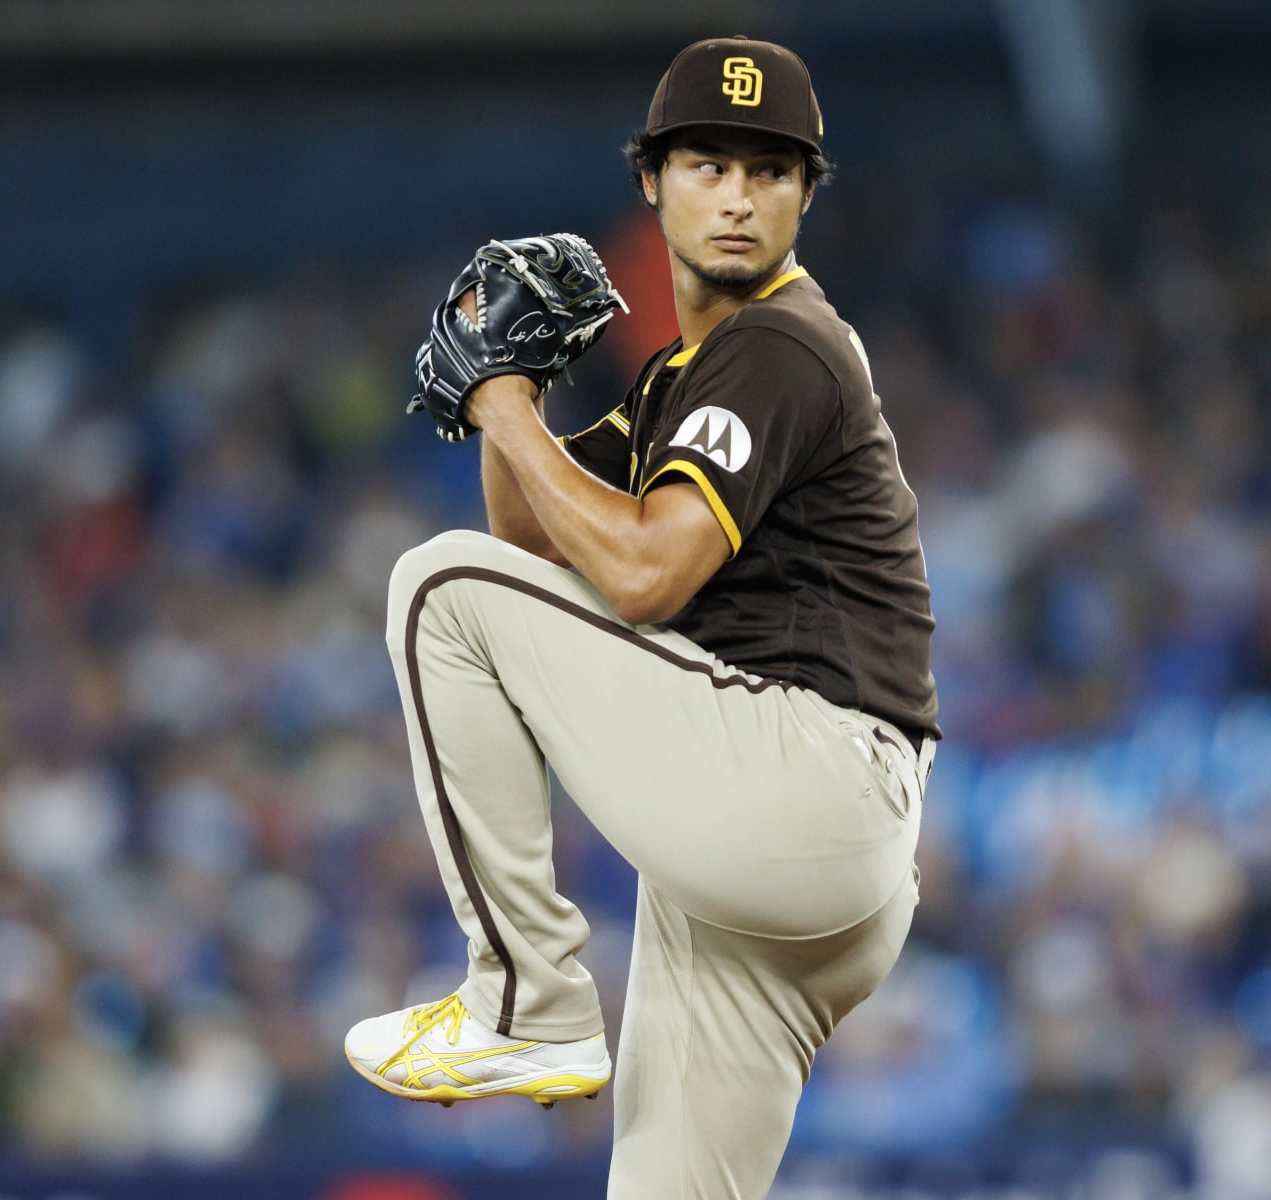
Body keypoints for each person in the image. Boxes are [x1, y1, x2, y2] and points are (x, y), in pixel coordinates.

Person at [343, 35, 939, 1198]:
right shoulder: (688, 372)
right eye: (709, 163)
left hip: (805, 773)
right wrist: (525, 388)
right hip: (798, 869)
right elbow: (535, 544)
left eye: (770, 171)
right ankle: (536, 1009)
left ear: (807, 195)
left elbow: (642, 580)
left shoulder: (780, 342)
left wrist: (499, 399)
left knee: (436, 586)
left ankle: (526, 1001)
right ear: (652, 180)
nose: (738, 194)